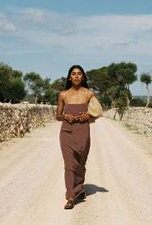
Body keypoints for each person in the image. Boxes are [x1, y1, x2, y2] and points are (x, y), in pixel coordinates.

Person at [56, 65, 95, 209]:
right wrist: (65, 116)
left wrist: (88, 115)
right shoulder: (63, 95)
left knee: (80, 163)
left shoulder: (89, 94)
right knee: (69, 165)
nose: (77, 76)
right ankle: (71, 196)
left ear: (83, 77)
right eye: (73, 74)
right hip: (66, 132)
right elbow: (58, 116)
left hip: (83, 132)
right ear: (69, 77)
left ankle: (79, 188)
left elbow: (97, 111)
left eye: (79, 74)